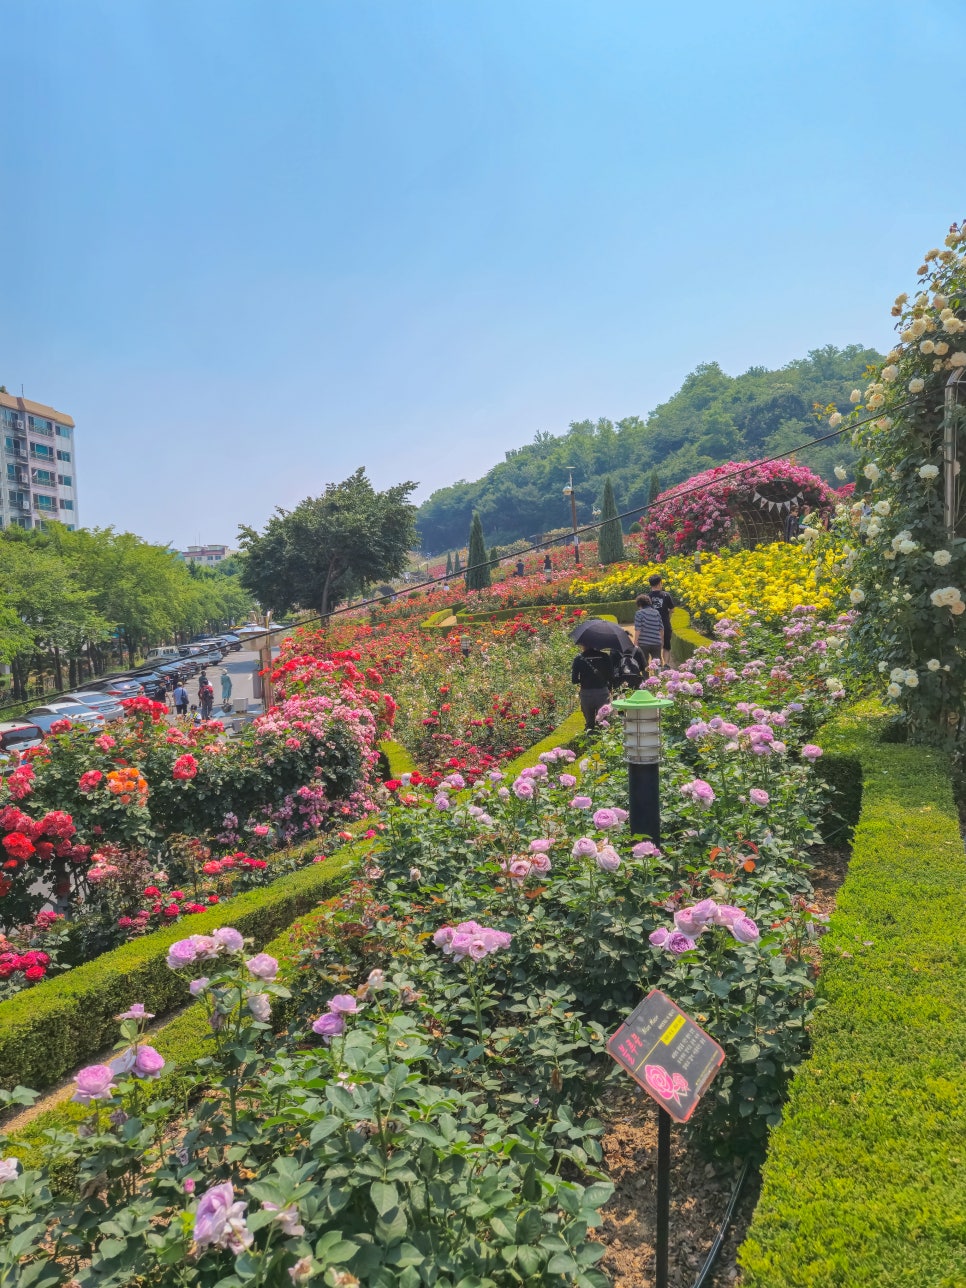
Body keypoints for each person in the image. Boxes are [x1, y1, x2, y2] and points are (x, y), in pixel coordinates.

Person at [571, 642, 612, 731]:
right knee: (602, 724)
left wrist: (584, 680)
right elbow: (611, 675)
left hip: (586, 693)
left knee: (589, 724)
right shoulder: (604, 656)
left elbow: (574, 680)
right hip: (602, 692)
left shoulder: (579, 658)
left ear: (582, 645)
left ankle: (589, 740)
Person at [647, 574, 675, 665]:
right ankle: (666, 664)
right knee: (666, 646)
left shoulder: (647, 597)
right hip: (665, 624)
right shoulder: (666, 595)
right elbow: (672, 609)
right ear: (660, 583)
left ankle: (657, 666)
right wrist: (668, 616)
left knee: (655, 647)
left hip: (651, 626)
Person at [634, 594, 664, 667]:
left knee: (644, 664)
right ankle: (659, 677)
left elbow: (638, 629)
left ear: (639, 604)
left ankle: (646, 678)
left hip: (644, 643)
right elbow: (661, 628)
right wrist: (661, 640)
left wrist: (635, 642)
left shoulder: (639, 613)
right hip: (656, 642)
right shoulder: (656, 612)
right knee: (658, 664)